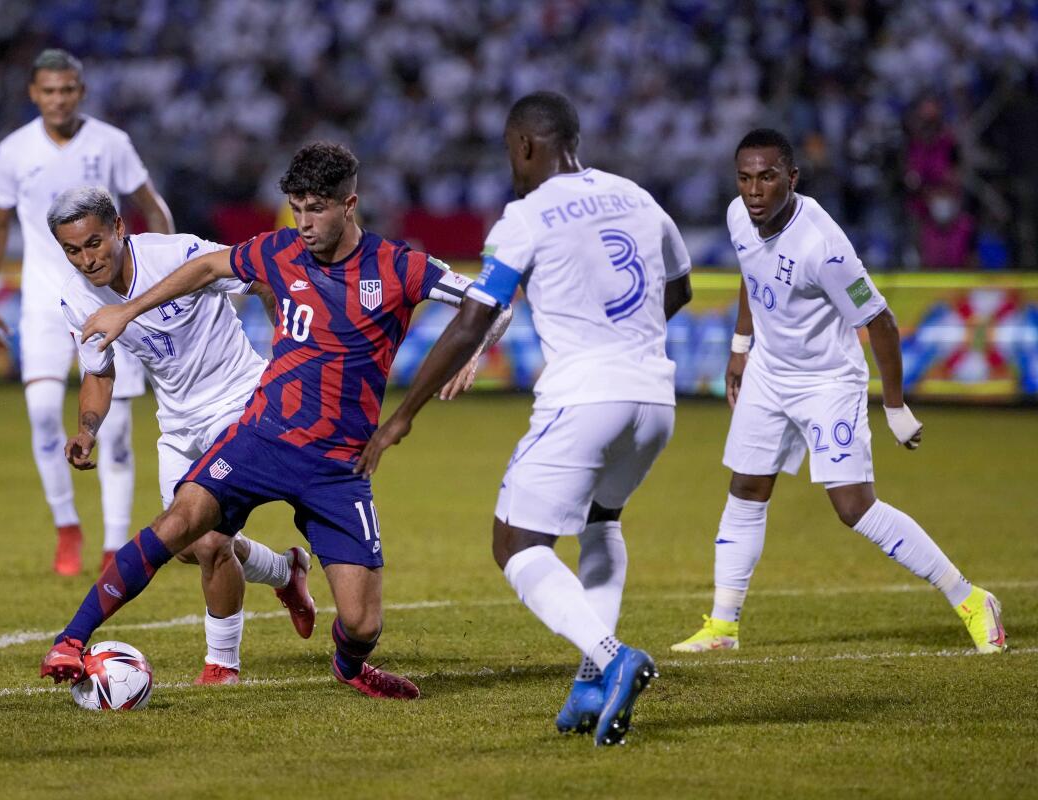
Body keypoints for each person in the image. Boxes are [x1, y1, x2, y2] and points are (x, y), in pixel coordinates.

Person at [40, 142, 510, 699]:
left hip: (340, 463)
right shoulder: (278, 249)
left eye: (317, 209)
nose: (304, 223)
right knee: (184, 527)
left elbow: (494, 305)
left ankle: (349, 664)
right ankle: (71, 640)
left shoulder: (399, 265)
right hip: (260, 436)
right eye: (296, 209)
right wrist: (127, 314)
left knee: (362, 623)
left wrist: (473, 347)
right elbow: (208, 268)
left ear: (349, 205)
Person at [356, 92, 694, 746]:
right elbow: (678, 287)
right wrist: (628, 341)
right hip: (655, 397)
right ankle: (591, 684)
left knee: (515, 544)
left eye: (511, 151)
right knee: (601, 519)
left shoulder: (527, 214)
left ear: (527, 145)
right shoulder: (637, 197)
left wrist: (402, 415)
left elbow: (473, 319)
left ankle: (615, 657)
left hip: (585, 396)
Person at [669, 128, 1006, 655]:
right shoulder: (740, 215)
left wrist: (894, 406)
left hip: (826, 382)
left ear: (791, 178)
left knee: (853, 507)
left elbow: (881, 321)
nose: (754, 190)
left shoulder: (823, 247)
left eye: (766, 178)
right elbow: (752, 274)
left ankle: (971, 599)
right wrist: (740, 346)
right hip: (769, 373)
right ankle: (722, 628)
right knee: (747, 487)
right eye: (745, 178)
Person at [49, 186, 316, 685]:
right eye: (72, 250)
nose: (87, 260)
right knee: (185, 545)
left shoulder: (180, 254)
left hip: (239, 403)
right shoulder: (75, 297)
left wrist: (288, 347)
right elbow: (99, 371)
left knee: (209, 539)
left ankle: (222, 665)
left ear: (119, 228)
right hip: (176, 423)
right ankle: (285, 572)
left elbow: (259, 277)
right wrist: (87, 428)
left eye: (94, 243)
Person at [0, 49, 175, 575]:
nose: (58, 99)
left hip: (108, 299)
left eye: (67, 90)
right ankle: (66, 525)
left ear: (80, 92)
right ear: (33, 94)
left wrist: (164, 272)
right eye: (49, 90)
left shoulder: (111, 143)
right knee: (43, 410)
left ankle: (113, 546)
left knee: (118, 428)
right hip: (43, 298)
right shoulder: (14, 151)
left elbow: (151, 205)